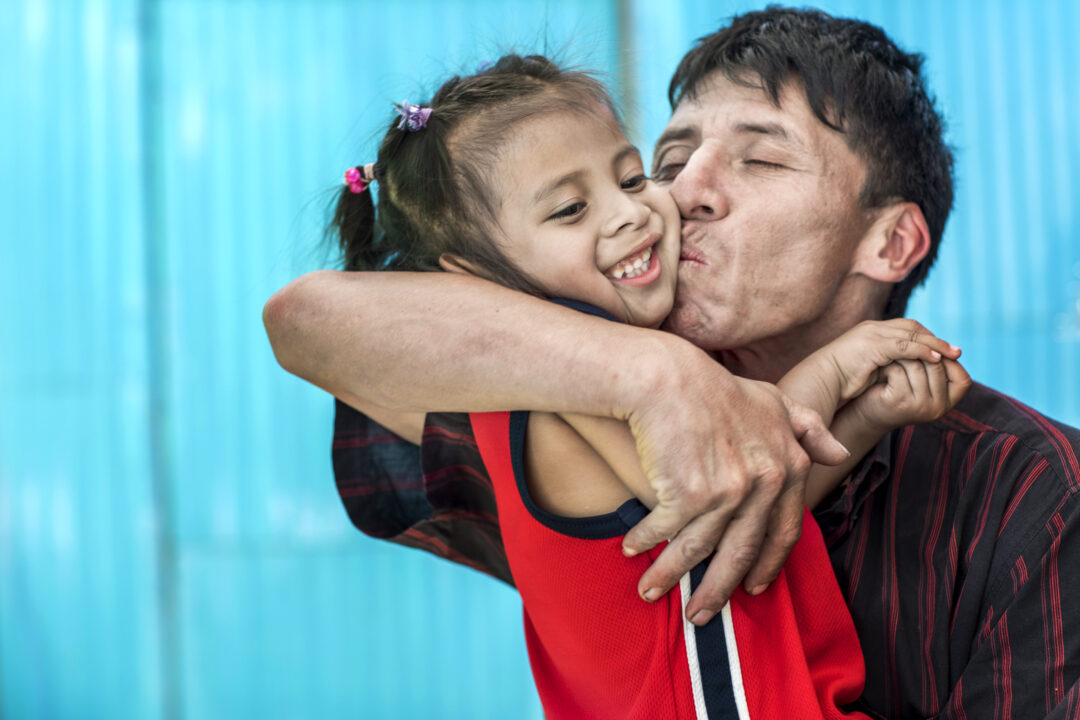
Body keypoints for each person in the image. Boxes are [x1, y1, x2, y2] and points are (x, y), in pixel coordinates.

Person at [265, 8, 1080, 719]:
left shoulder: (1029, 490)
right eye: (670, 157)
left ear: (889, 241)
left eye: (759, 160)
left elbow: (748, 496)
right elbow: (301, 318)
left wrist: (852, 408)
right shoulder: (554, 386)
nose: (681, 192)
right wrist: (655, 372)